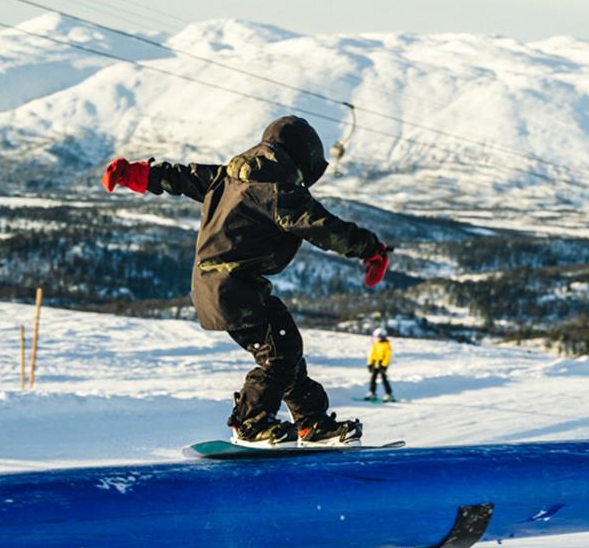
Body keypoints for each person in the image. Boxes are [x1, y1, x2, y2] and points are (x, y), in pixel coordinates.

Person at [101, 115, 391, 447]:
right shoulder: (278, 189)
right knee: (278, 354)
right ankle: (249, 423)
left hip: (226, 284)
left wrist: (138, 174)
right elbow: (321, 225)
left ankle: (311, 422)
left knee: (286, 349)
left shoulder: (229, 177)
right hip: (231, 287)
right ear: (303, 157)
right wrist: (370, 249)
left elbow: (184, 177)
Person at [365, 327, 394, 402]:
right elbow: (372, 354)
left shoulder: (386, 345)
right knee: (373, 378)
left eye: (377, 337)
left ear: (382, 336)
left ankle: (389, 394)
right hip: (375, 363)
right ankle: (372, 392)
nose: (376, 338)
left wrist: (384, 365)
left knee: (384, 379)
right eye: (375, 337)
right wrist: (370, 363)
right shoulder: (376, 344)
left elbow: (388, 356)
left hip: (382, 364)